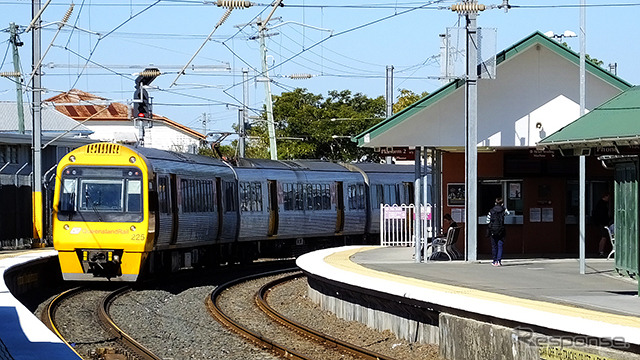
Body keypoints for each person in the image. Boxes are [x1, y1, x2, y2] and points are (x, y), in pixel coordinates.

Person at [487, 197, 509, 267]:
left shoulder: (491, 210)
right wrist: (504, 208)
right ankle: (499, 261)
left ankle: (494, 261)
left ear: (495, 203)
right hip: (501, 230)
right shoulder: (503, 210)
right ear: (502, 203)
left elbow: (487, 221)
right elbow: (508, 213)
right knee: (500, 246)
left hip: (493, 230)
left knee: (494, 246)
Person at [592, 192, 611, 257]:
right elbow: (602, 215)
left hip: (601, 222)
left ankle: (601, 251)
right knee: (604, 237)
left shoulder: (600, 204)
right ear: (605, 197)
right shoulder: (602, 205)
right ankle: (600, 251)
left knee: (604, 237)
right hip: (603, 223)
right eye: (608, 197)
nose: (608, 198)